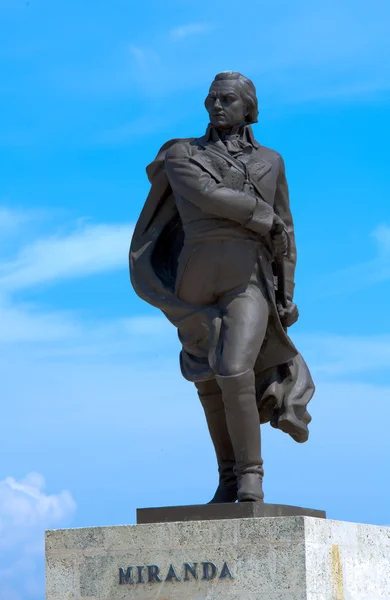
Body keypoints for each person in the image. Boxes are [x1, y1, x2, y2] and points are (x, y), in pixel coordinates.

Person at [130, 71, 314, 503]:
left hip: (246, 277)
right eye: (211, 98)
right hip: (195, 276)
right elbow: (204, 194)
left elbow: (285, 229)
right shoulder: (181, 153)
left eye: (227, 99)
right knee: (206, 379)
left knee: (234, 370)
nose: (216, 105)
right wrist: (258, 215)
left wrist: (286, 293)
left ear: (248, 107)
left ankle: (251, 474)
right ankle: (228, 477)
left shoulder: (271, 161)